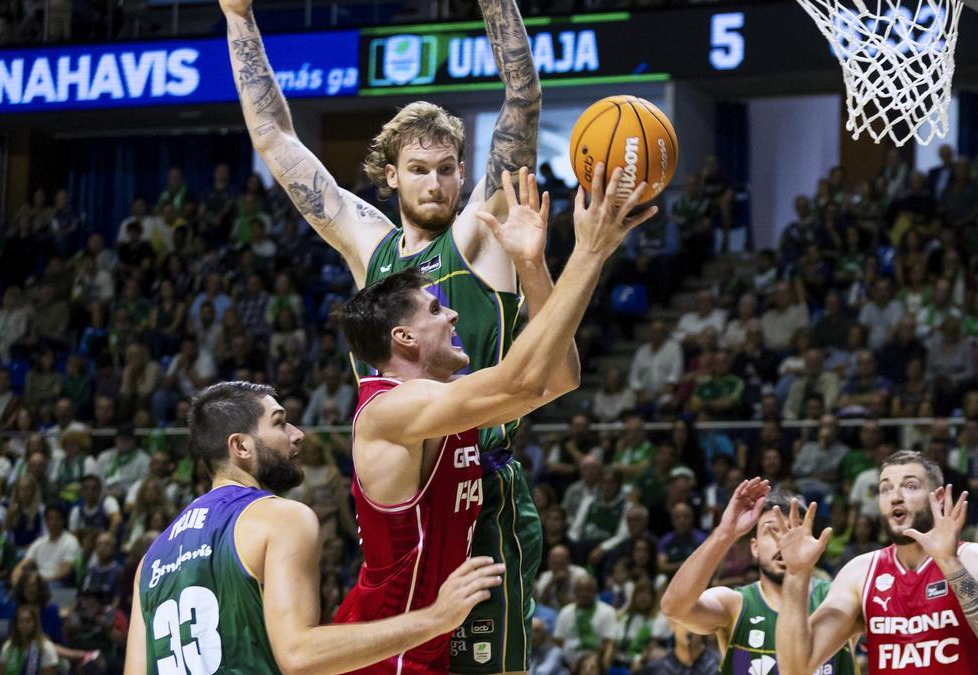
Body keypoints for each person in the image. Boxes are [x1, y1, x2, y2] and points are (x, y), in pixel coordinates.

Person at [223, 0, 561, 666]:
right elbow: (277, 141)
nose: (435, 182)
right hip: (399, 503)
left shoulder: (479, 236)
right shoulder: (370, 248)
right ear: (390, 175)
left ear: (464, 173)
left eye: (446, 168)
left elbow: (523, 95)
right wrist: (239, 18)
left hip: (477, 495)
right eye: (418, 169)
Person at [332, 166, 655, 674]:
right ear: (405, 339)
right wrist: (589, 251)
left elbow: (559, 379)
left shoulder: (445, 403)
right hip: (386, 649)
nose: (454, 315)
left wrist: (532, 267)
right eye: (436, 310)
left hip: (427, 637)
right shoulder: (392, 410)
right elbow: (522, 380)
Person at [124, 382, 505, 675]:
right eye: (279, 423)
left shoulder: (152, 558)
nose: (297, 434)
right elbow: (299, 654)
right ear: (240, 446)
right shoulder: (280, 518)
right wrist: (436, 618)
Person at [773, 450, 978, 674]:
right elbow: (795, 668)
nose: (895, 496)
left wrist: (949, 563)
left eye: (910, 486)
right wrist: (796, 575)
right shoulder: (860, 573)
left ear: (937, 498)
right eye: (885, 488)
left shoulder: (974, 559)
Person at [661, 481, 853, 675]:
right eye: (771, 531)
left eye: (793, 531)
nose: (783, 542)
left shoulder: (839, 598)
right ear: (754, 547)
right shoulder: (735, 605)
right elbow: (674, 608)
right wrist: (725, 533)